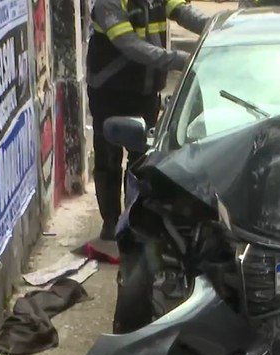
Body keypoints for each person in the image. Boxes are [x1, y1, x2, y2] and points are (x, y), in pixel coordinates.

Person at [88, 0, 211, 240]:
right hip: (110, 90)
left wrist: (221, 27)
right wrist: (179, 60)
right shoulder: (108, 4)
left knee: (142, 159)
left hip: (145, 90)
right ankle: (111, 222)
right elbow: (131, 45)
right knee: (109, 158)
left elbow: (183, 12)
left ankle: (132, 220)